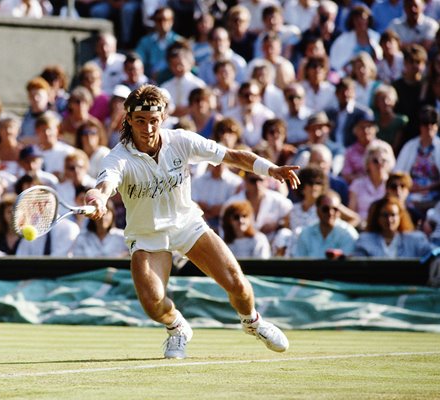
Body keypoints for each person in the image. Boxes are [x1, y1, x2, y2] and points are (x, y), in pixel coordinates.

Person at [83, 84, 300, 359]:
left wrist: (271, 169)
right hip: (147, 236)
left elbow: (232, 156)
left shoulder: (181, 140)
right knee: (152, 304)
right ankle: (177, 327)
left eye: (153, 121)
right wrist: (99, 199)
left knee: (238, 286)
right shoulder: (118, 158)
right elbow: (104, 185)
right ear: (128, 119)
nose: (148, 128)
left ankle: (253, 322)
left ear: (162, 119)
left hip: (187, 225)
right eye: (140, 121)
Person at [394, 105, 440, 215]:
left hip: (436, 194)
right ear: (420, 126)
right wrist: (410, 187)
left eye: (433, 123)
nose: (429, 127)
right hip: (410, 192)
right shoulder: (409, 146)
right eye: (426, 124)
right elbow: (398, 173)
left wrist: (429, 187)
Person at [352, 195, 433, 257]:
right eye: (384, 215)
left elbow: (432, 255)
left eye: (393, 215)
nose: (389, 220)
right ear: (377, 217)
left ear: (400, 216)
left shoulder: (415, 240)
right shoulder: (365, 240)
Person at [294, 190, 359, 258]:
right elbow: (299, 261)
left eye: (335, 209)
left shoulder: (348, 234)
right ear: (317, 210)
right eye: (325, 209)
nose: (330, 213)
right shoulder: (306, 234)